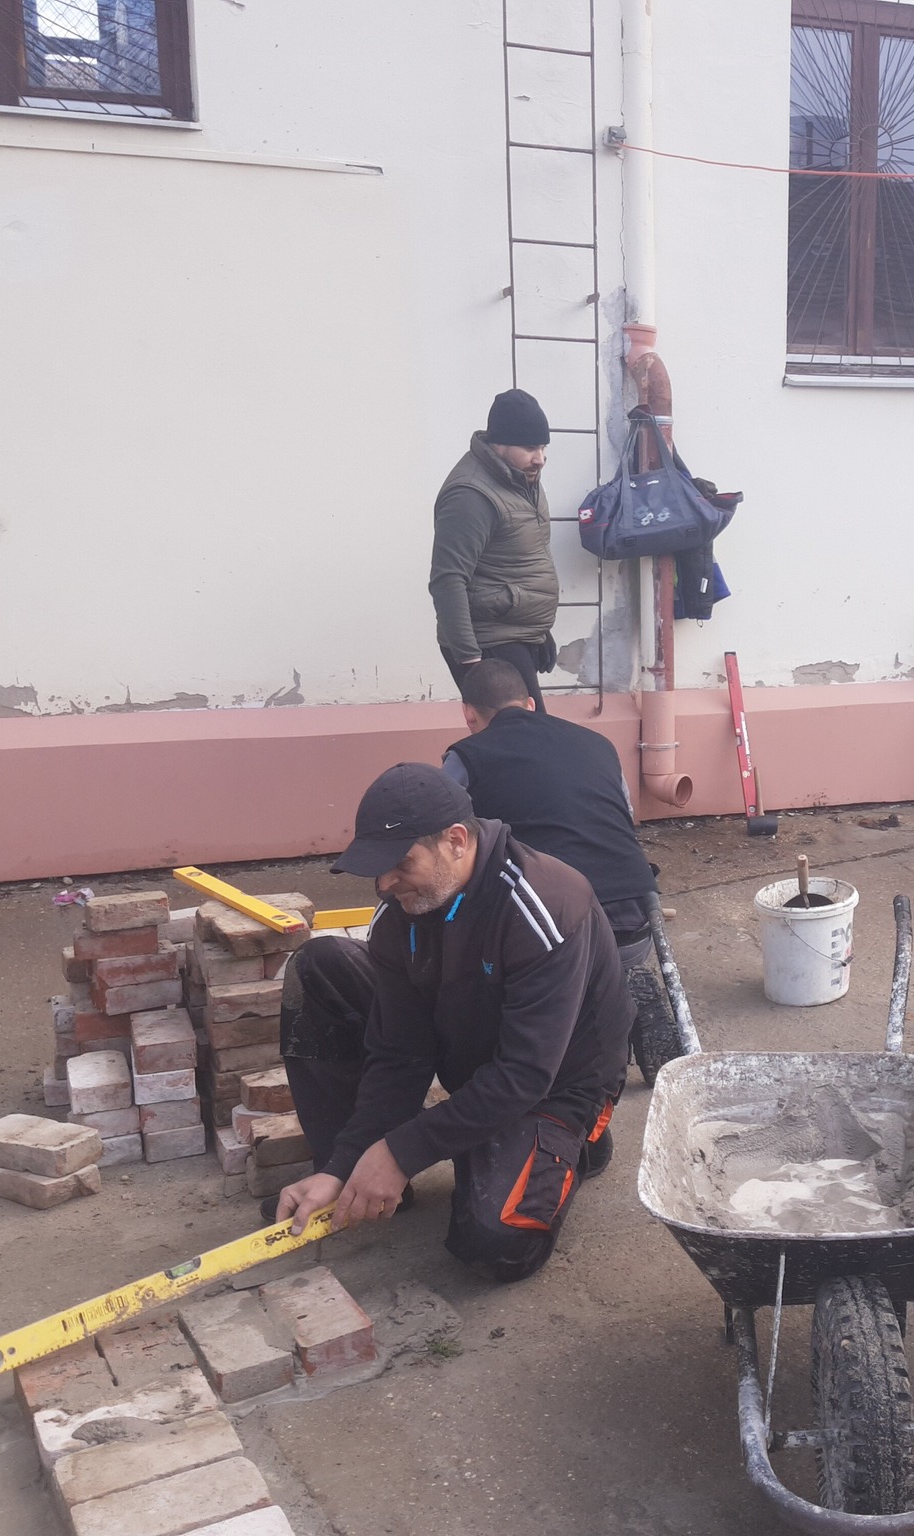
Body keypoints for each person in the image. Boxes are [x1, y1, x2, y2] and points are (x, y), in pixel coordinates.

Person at [273, 763, 634, 1282]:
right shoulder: (401, 910)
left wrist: (403, 1151)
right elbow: (399, 1051)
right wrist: (346, 1161)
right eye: (377, 868)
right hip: (473, 1048)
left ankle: (575, 1144)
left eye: (401, 863)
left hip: (558, 1082)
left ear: (456, 841)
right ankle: (357, 1185)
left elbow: (525, 1074)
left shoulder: (545, 904)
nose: (384, 884)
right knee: (319, 966)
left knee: (493, 1242)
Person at [442, 660, 676, 1071]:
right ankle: (622, 986)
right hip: (635, 917)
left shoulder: (465, 758)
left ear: (468, 714)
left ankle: (582, 1012)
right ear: (530, 703)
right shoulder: (597, 743)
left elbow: (447, 845)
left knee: (518, 970)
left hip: (553, 930)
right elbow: (623, 816)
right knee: (594, 967)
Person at [429, 388, 559, 712]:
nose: (540, 458)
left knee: (525, 734)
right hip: (488, 642)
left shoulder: (521, 479)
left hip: (514, 634)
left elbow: (521, 559)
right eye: (530, 448)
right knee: (525, 737)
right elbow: (448, 580)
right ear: (499, 444)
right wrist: (471, 662)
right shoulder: (471, 495)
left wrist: (538, 633)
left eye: (543, 447)